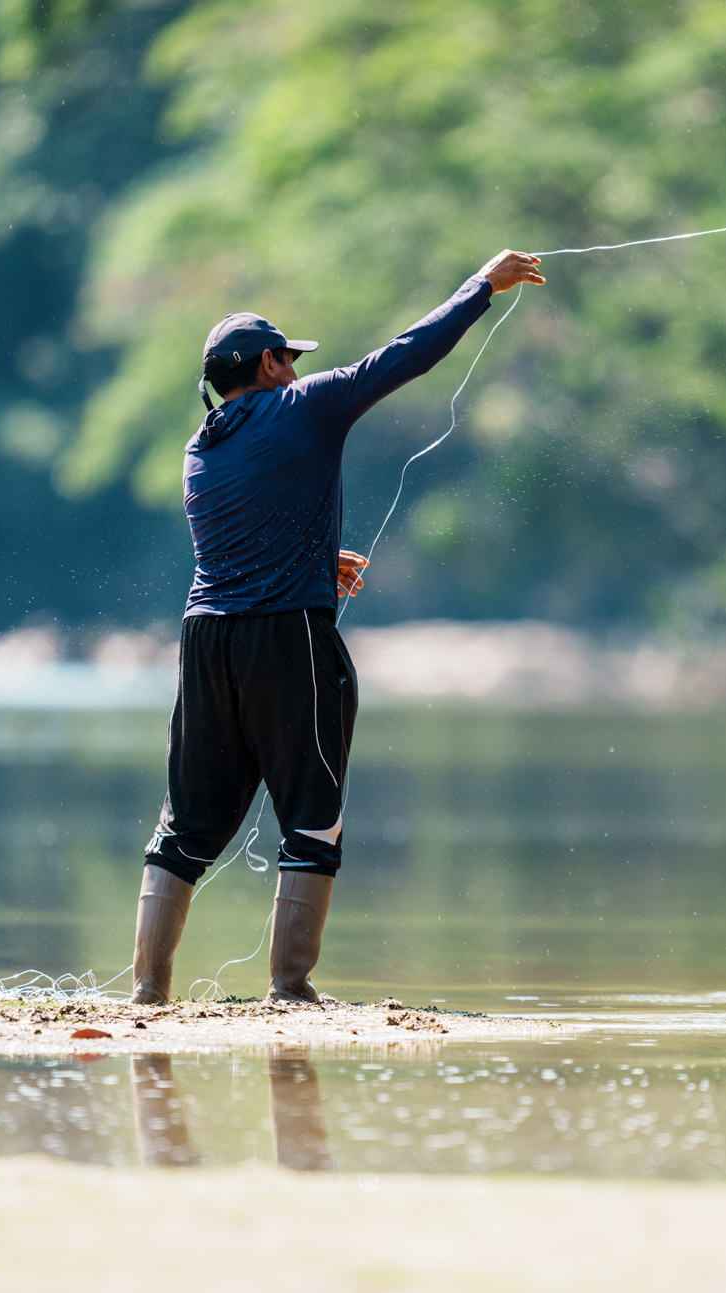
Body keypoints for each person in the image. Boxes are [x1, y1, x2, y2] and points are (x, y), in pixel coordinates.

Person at [131, 248, 549, 1005]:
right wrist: (481, 286)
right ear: (264, 364)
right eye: (287, 361)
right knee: (313, 821)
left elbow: (240, 542)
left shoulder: (201, 447)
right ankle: (290, 990)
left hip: (204, 641)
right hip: (285, 637)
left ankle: (146, 995)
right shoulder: (303, 407)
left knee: (185, 826)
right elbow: (403, 357)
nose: (295, 372)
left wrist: (316, 566)